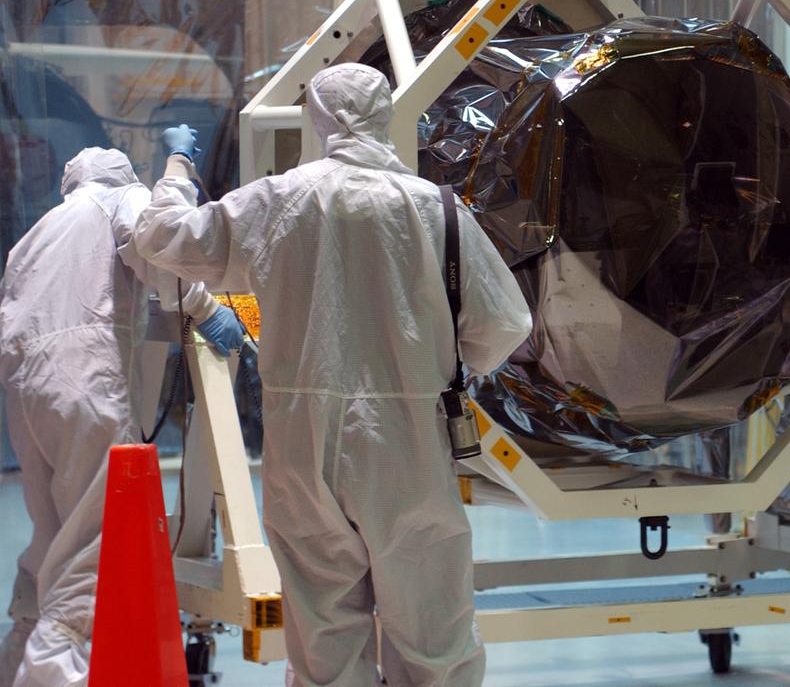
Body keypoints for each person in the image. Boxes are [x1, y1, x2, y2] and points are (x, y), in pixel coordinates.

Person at [133, 63, 532, 687]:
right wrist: (447, 369)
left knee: (323, 632)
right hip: (409, 438)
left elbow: (163, 237)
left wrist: (178, 170)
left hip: (302, 435)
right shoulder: (435, 208)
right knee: (433, 630)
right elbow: (505, 321)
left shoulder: (276, 199)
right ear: (387, 115)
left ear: (315, 120)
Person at [0, 147, 243, 687]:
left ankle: (18, 656)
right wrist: (207, 311)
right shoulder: (119, 198)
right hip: (83, 382)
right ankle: (50, 674)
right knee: (91, 544)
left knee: (51, 535)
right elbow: (161, 248)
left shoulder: (38, 232)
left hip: (24, 390)